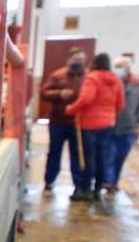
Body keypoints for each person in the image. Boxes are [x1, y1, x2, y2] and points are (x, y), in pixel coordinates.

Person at [66, 52, 124, 201]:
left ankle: (86, 189)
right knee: (102, 157)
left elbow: (86, 99)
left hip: (90, 124)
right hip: (108, 123)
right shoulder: (116, 80)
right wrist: (109, 114)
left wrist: (71, 109)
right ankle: (97, 190)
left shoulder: (92, 78)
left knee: (88, 158)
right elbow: (120, 104)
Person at [39, 47, 88, 194]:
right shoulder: (57, 75)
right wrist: (59, 93)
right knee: (54, 152)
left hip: (78, 123)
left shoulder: (88, 77)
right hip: (57, 121)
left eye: (81, 60)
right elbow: (43, 92)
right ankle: (49, 181)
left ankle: (78, 185)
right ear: (69, 60)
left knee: (77, 153)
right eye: (76, 60)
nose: (78, 63)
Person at [105, 56, 139, 190]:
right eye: (116, 67)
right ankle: (108, 180)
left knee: (120, 155)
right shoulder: (111, 82)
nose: (118, 70)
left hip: (129, 126)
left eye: (121, 67)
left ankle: (114, 181)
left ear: (128, 68)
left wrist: (138, 119)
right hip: (110, 123)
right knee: (108, 154)